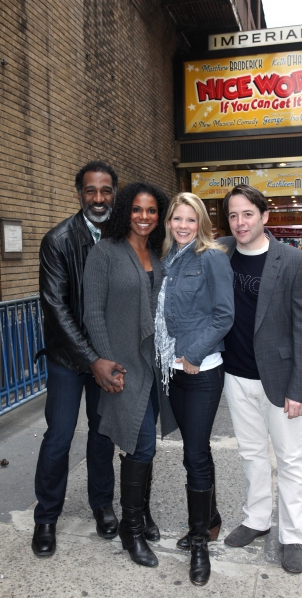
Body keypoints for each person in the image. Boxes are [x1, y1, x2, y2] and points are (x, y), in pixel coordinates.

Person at [219, 184, 302, 574]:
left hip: (279, 380)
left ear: (264, 216)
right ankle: (257, 519)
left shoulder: (291, 261)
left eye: (247, 214)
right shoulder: (222, 253)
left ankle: (294, 535)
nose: (240, 222)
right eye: (233, 215)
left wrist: (300, 387)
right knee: (251, 454)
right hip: (235, 375)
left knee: (291, 459)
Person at [32, 161, 125, 558]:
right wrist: (92, 359)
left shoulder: (123, 237)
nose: (99, 199)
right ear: (79, 194)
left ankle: (102, 505)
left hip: (108, 356)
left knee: (103, 437)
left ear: (114, 193)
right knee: (59, 437)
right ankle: (47, 517)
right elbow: (56, 307)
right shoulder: (58, 240)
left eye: (106, 191)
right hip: (68, 360)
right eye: (91, 191)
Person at [83, 181, 177, 569]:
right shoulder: (105, 252)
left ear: (160, 216)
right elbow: (92, 311)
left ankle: (141, 512)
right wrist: (103, 360)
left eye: (152, 210)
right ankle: (131, 530)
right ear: (126, 211)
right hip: (123, 364)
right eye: (137, 209)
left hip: (156, 365)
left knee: (145, 444)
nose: (144, 217)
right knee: (141, 446)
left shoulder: (160, 252)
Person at [154, 192, 234, 586]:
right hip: (173, 371)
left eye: (190, 219)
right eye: (176, 219)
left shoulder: (212, 257)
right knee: (193, 453)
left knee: (196, 454)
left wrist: (194, 352)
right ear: (169, 222)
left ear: (200, 221)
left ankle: (200, 541)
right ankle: (212, 520)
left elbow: (224, 315)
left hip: (200, 371)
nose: (182, 226)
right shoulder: (169, 261)